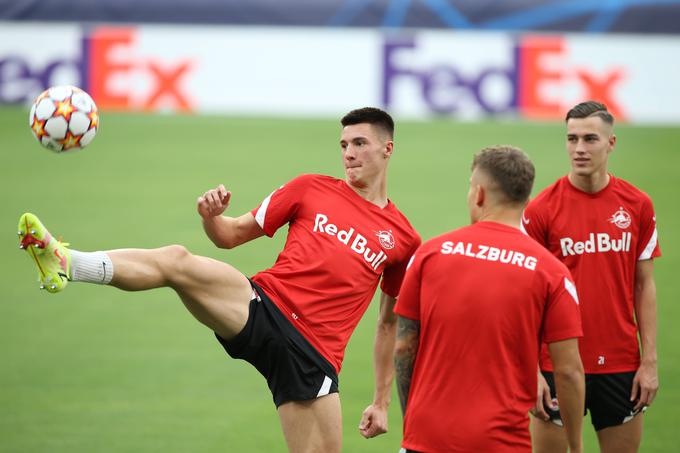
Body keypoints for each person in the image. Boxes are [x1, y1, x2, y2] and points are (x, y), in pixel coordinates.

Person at [17, 107, 421, 453]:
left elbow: (388, 323)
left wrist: (382, 402)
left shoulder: (403, 238)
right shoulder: (309, 188)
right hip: (262, 307)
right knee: (177, 261)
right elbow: (229, 236)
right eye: (343, 145)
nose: (348, 154)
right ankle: (65, 261)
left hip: (314, 356)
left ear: (387, 148)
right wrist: (211, 216)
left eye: (359, 144)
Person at [393, 146, 585, 453]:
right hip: (501, 443)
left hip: (426, 437)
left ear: (479, 194)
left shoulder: (429, 254)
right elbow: (569, 371)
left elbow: (404, 347)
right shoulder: (552, 272)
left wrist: (412, 424)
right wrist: (575, 447)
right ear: (526, 200)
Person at [523, 101, 661, 453]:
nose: (579, 149)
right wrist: (530, 370)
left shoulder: (637, 205)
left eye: (590, 139)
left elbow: (644, 285)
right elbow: (523, 298)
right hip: (554, 363)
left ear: (611, 143)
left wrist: (649, 362)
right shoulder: (541, 210)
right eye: (572, 139)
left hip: (620, 364)